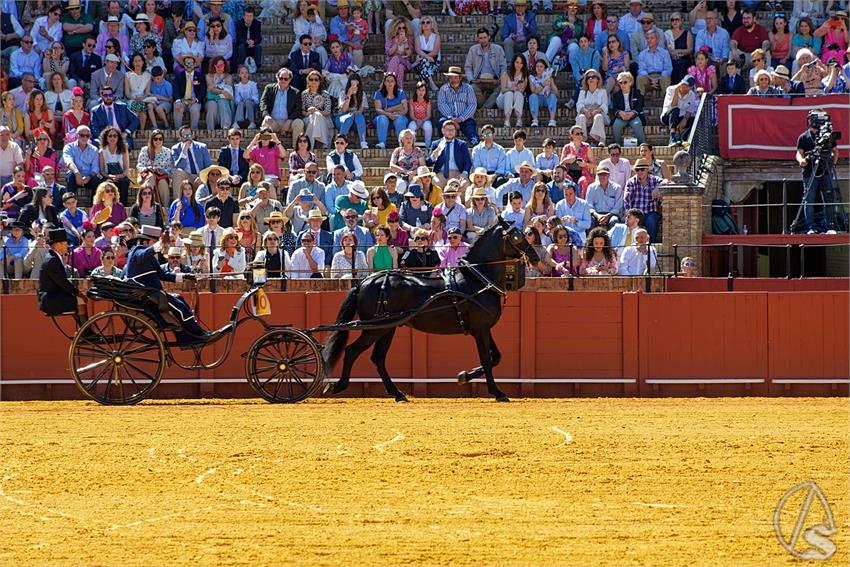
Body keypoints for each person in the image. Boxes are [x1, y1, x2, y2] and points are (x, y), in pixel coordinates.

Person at [123, 225, 205, 342]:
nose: (160, 247)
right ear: (146, 242)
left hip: (155, 295)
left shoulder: (150, 258)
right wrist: (160, 244)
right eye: (154, 241)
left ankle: (187, 337)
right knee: (180, 307)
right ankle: (198, 334)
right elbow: (143, 254)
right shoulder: (136, 252)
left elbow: (162, 275)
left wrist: (184, 276)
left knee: (180, 300)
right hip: (151, 296)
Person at [795, 110, 839, 234]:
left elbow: (835, 151)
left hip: (825, 171)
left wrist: (833, 164)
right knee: (809, 200)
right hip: (810, 173)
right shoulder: (803, 137)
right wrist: (802, 161)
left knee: (829, 198)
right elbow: (799, 153)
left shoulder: (827, 135)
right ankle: (810, 227)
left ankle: (830, 226)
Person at [37, 228, 86, 321]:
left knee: (77, 299)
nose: (67, 246)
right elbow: (62, 282)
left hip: (52, 298)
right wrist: (78, 293)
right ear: (57, 244)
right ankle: (86, 331)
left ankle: (84, 329)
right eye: (65, 243)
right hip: (51, 301)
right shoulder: (52, 260)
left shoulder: (53, 257)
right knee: (80, 300)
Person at [259, 68, 305, 148]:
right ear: (277, 78)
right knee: (265, 123)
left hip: (288, 122)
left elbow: (298, 109)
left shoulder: (295, 92)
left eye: (286, 79)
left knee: (299, 123)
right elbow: (263, 102)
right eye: (281, 78)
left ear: (290, 79)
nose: (283, 80)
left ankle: (297, 150)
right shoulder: (269, 89)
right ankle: (264, 148)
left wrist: (289, 120)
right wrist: (266, 115)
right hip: (274, 121)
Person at [436, 67, 478, 146]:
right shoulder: (443, 89)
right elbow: (441, 104)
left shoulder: (468, 88)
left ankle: (477, 148)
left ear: (460, 78)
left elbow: (472, 105)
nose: (453, 80)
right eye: (450, 77)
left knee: (472, 134)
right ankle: (444, 146)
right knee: (441, 123)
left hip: (465, 119)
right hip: (448, 118)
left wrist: (460, 119)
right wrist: (452, 119)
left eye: (455, 77)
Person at [624, 157, 662, 242]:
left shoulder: (654, 180)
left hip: (650, 212)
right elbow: (627, 200)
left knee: (652, 220)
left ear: (647, 169)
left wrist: (658, 188)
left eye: (642, 169)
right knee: (631, 222)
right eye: (637, 170)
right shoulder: (631, 182)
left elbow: (667, 181)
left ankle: (650, 246)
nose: (640, 172)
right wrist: (629, 215)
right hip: (636, 213)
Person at [90, 85, 139, 150]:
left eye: (110, 95)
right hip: (104, 138)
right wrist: (103, 137)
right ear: (102, 97)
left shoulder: (122, 107)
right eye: (105, 95)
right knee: (96, 143)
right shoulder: (96, 111)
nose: (108, 97)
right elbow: (94, 128)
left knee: (126, 146)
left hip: (121, 136)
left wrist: (126, 132)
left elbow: (135, 120)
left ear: (113, 96)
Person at [426, 120, 472, 189]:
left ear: (455, 131)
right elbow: (428, 163)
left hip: (457, 173)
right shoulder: (436, 144)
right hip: (441, 173)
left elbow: (467, 162)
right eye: (448, 129)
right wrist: (433, 156)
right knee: (434, 183)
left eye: (452, 130)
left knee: (465, 184)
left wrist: (464, 173)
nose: (450, 132)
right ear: (443, 131)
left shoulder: (462, 144)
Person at [61, 124, 101, 194]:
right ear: (77, 135)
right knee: (70, 177)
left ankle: (95, 204)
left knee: (96, 181)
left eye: (87, 136)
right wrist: (77, 174)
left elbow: (95, 167)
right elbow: (69, 161)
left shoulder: (94, 149)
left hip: (88, 177)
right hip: (74, 174)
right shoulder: (69, 147)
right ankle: (70, 201)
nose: (85, 137)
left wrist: (88, 177)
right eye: (82, 135)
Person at [97, 126, 131, 204]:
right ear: (106, 138)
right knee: (108, 185)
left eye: (115, 136)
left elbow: (126, 169)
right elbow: (101, 170)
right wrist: (110, 177)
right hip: (107, 177)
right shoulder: (102, 151)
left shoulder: (123, 149)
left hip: (121, 176)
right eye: (110, 136)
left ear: (118, 138)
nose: (112, 138)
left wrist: (119, 176)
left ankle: (122, 206)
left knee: (123, 183)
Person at [611, 73, 646, 146]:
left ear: (630, 82)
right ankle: (617, 146)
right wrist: (620, 113)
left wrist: (633, 113)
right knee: (616, 125)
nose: (623, 84)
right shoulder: (616, 95)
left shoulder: (637, 93)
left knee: (637, 124)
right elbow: (614, 108)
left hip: (633, 116)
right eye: (620, 83)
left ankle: (643, 145)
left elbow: (640, 106)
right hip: (622, 116)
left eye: (625, 82)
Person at [662, 76, 697, 146]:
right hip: (667, 117)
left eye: (688, 86)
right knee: (675, 110)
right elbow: (673, 105)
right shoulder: (670, 89)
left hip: (681, 118)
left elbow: (689, 110)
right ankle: (672, 138)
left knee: (694, 120)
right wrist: (676, 91)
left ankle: (684, 139)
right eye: (684, 84)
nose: (686, 87)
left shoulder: (692, 94)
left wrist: (685, 119)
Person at [337, 74, 369, 149]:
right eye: (352, 85)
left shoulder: (362, 94)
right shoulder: (343, 93)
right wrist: (349, 94)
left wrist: (354, 114)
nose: (354, 87)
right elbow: (344, 109)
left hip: (356, 119)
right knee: (348, 117)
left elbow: (360, 110)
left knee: (359, 116)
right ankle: (340, 142)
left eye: (356, 85)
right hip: (343, 118)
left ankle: (363, 142)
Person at [205, 56, 235, 131]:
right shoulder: (208, 76)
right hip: (211, 99)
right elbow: (210, 89)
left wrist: (215, 87)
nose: (219, 68)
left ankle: (226, 127)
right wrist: (221, 91)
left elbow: (228, 91)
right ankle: (210, 129)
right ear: (214, 66)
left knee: (222, 101)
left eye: (221, 65)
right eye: (217, 66)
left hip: (224, 99)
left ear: (225, 65)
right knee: (212, 105)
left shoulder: (228, 76)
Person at [499, 54, 528, 130]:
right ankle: (507, 120)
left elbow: (521, 91)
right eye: (517, 62)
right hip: (503, 99)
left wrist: (518, 87)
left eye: (521, 63)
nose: (519, 65)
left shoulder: (524, 76)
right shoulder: (506, 74)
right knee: (509, 93)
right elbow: (503, 90)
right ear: (513, 62)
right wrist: (511, 88)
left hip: (516, 99)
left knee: (518, 94)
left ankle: (519, 119)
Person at [414, 16, 441, 92]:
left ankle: (423, 81)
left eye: (428, 22)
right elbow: (418, 50)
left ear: (432, 25)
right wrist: (426, 57)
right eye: (423, 22)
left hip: (434, 62)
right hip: (420, 62)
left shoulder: (436, 37)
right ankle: (431, 82)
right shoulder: (418, 37)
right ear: (421, 26)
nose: (425, 24)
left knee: (425, 62)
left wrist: (425, 57)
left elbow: (435, 52)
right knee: (424, 62)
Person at [407, 81, 432, 150]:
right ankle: (411, 146)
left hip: (425, 120)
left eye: (423, 90)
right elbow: (411, 114)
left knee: (428, 127)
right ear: (416, 91)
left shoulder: (427, 102)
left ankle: (427, 145)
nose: (421, 92)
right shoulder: (412, 101)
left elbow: (428, 115)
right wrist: (416, 120)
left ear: (425, 92)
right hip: (415, 120)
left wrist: (422, 121)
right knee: (411, 126)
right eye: (419, 90)